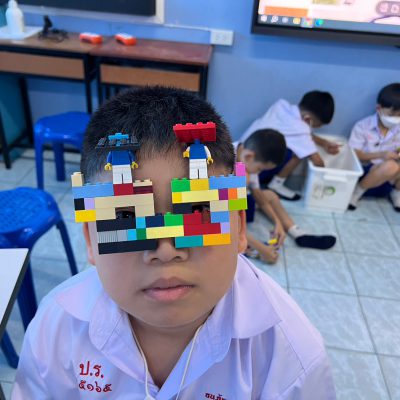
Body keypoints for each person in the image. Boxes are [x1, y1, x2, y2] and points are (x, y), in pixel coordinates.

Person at [12, 86, 336, 399]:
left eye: (199, 210)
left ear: (239, 228)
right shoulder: (55, 330)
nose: (165, 250)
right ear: (90, 240)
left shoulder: (292, 359)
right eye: (125, 216)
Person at [234, 129, 337, 264]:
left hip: (229, 205)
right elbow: (229, 224)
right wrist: (263, 250)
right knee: (230, 234)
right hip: (214, 218)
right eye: (260, 169)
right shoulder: (228, 170)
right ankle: (247, 249)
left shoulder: (245, 158)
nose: (258, 173)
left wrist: (277, 222)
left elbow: (259, 195)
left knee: (270, 195)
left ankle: (297, 233)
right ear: (249, 156)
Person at [241, 91, 339, 201]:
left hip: (243, 156)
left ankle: (251, 192)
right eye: (315, 126)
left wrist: (324, 143)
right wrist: (329, 180)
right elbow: (318, 161)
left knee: (297, 147)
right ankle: (276, 184)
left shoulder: (280, 106)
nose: (311, 128)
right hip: (251, 169)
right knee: (300, 153)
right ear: (307, 119)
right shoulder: (300, 131)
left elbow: (303, 134)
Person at [348, 83, 400, 211]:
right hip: (366, 174)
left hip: (389, 180)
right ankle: (356, 193)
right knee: (391, 166)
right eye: (392, 115)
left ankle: (396, 192)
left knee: (393, 166)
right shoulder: (363, 126)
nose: (396, 119)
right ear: (379, 108)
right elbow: (354, 153)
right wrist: (381, 154)